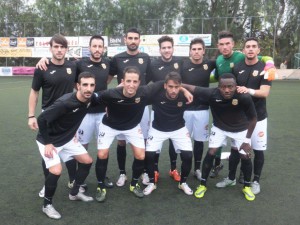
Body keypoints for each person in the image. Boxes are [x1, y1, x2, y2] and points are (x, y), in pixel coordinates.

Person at [93, 66, 192, 202]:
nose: (131, 85)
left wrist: (183, 89)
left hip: (132, 127)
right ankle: (100, 186)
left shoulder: (145, 91)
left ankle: (134, 184)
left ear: (140, 83)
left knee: (141, 155)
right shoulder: (110, 93)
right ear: (122, 81)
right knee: (102, 154)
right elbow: (92, 98)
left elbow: (171, 82)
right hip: (109, 126)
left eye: (135, 82)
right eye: (128, 81)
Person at [36, 35, 114, 189]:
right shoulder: (79, 64)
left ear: (103, 49)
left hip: (101, 113)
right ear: (89, 48)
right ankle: (78, 180)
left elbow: (107, 80)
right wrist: (44, 59)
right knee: (81, 146)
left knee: (103, 148)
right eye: (94, 46)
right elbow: (64, 68)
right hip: (82, 113)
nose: (97, 49)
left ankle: (101, 176)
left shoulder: (108, 63)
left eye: (100, 47)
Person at [210, 30, 276, 179]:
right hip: (239, 116)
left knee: (257, 150)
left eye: (254, 46)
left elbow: (265, 91)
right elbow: (224, 82)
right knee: (235, 148)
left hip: (258, 116)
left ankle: (255, 180)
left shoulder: (257, 64)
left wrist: (270, 64)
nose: (251, 49)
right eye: (248, 46)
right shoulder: (231, 64)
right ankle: (232, 177)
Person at [182, 73, 257, 201]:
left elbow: (253, 118)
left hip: (240, 129)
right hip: (220, 128)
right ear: (218, 87)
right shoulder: (212, 93)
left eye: (230, 87)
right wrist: (178, 84)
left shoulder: (244, 96)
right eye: (223, 87)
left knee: (245, 155)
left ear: (235, 86)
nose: (227, 90)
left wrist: (247, 140)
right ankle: (203, 184)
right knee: (211, 152)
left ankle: (247, 187)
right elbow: (191, 87)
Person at [37, 72, 96, 219]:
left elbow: (106, 96)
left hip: (67, 139)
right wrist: (48, 143)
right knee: (56, 170)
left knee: (87, 161)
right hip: (49, 141)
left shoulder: (91, 98)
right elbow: (42, 120)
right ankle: (47, 205)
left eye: (91, 85)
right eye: (85, 85)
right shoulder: (65, 103)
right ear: (78, 86)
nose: (88, 89)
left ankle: (75, 193)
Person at [28, 34, 77, 198]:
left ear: (66, 49)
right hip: (48, 117)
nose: (59, 50)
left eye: (62, 47)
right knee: (47, 152)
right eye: (56, 46)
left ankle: (74, 181)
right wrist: (31, 115)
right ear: (50, 48)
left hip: (68, 117)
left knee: (70, 151)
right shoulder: (42, 68)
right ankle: (47, 183)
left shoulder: (73, 66)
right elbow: (34, 92)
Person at [108, 27, 152, 187]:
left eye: (136, 38)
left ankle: (144, 172)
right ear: (125, 39)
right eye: (130, 38)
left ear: (139, 40)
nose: (133, 41)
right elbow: (106, 79)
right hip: (122, 106)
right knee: (121, 142)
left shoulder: (145, 57)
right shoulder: (117, 58)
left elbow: (151, 80)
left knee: (144, 140)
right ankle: (122, 173)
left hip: (141, 106)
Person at [143, 72, 194, 196]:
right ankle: (151, 183)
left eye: (177, 87)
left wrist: (184, 90)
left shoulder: (185, 96)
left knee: (187, 156)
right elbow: (137, 98)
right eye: (170, 86)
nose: (173, 90)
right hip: (158, 129)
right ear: (165, 86)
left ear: (180, 86)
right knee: (149, 155)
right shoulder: (156, 95)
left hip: (179, 129)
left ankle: (183, 182)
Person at [143, 35, 183, 185]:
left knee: (174, 139)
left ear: (173, 48)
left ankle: (173, 169)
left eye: (169, 47)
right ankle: (155, 170)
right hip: (158, 109)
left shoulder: (180, 62)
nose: (167, 50)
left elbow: (182, 83)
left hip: (176, 109)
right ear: (160, 50)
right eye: (164, 48)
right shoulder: (153, 65)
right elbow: (147, 85)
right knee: (156, 143)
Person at [181, 37, 216, 181]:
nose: (196, 52)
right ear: (190, 51)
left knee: (199, 141)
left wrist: (269, 62)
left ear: (204, 51)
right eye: (194, 49)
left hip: (202, 109)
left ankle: (196, 169)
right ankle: (184, 168)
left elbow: (231, 59)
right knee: (184, 140)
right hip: (185, 109)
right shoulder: (182, 65)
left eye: (199, 49)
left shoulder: (210, 64)